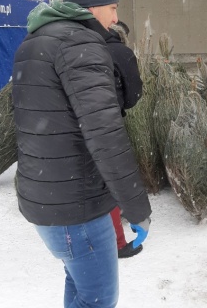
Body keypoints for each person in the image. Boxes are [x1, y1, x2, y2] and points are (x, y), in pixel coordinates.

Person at [12, 0, 151, 307]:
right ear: (91, 7)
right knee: (99, 300)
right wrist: (137, 208)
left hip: (46, 199)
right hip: (77, 209)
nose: (116, 17)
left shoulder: (33, 41)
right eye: (113, 7)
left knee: (79, 287)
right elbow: (105, 134)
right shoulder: (80, 44)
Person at [81, 16, 144, 258]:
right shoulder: (119, 52)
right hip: (107, 127)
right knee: (111, 182)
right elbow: (134, 94)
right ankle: (116, 243)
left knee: (85, 183)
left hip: (75, 126)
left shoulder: (74, 45)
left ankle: (85, 242)